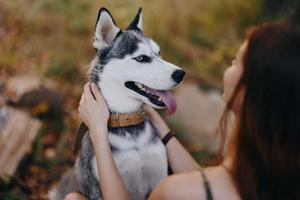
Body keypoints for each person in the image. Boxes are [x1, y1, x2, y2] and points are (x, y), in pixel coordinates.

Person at [65, 22, 300, 200]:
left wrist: (97, 130)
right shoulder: (275, 174)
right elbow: (205, 178)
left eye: (235, 62)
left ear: (251, 90)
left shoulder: (175, 191)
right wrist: (163, 130)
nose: (229, 67)